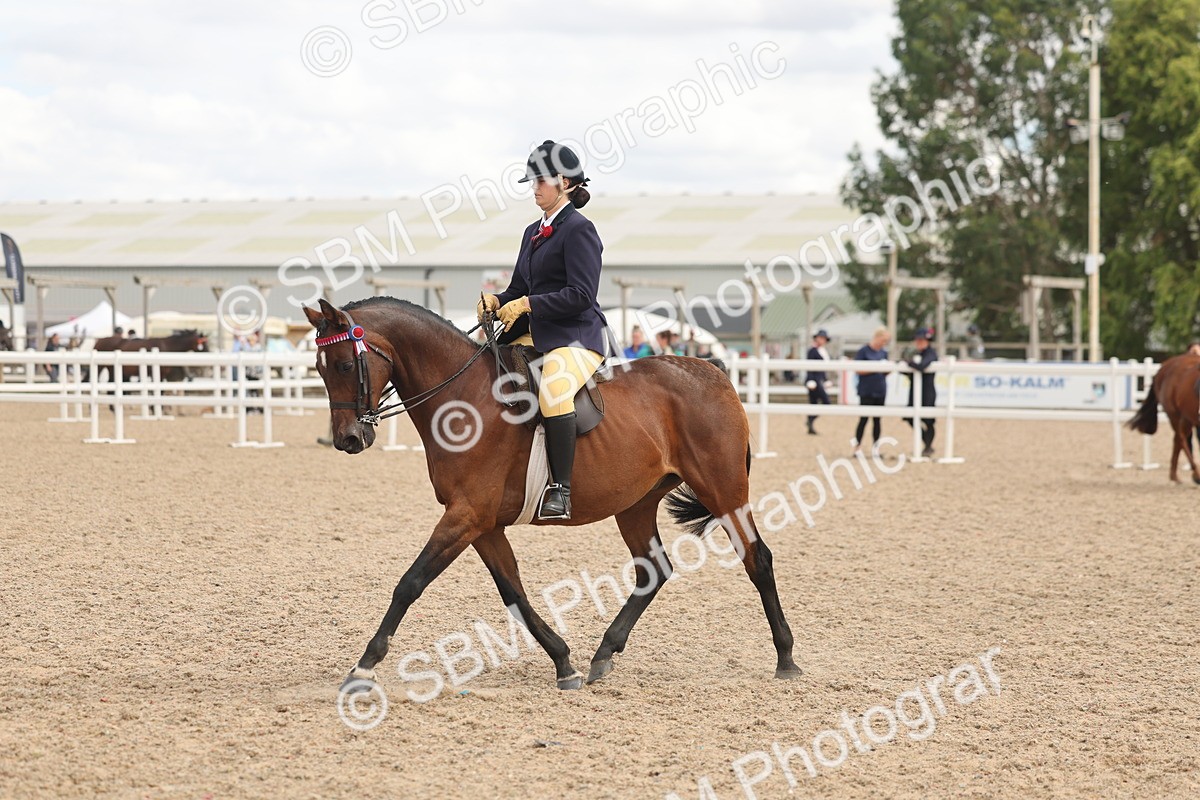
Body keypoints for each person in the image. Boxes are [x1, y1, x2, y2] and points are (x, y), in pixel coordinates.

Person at [478, 140, 607, 520]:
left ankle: (560, 489)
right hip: (534, 332)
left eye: (541, 181)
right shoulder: (533, 231)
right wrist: (498, 301)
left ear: (565, 183)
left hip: (576, 336)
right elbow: (519, 288)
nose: (534, 188)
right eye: (532, 181)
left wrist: (529, 304)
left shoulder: (581, 230)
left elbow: (581, 295)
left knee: (553, 390)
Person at [853, 327, 891, 453]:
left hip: (880, 389)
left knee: (877, 420)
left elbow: (886, 371)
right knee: (863, 419)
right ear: (877, 337)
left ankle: (876, 447)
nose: (884, 343)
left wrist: (886, 369)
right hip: (866, 389)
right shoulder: (864, 351)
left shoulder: (884, 353)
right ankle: (857, 447)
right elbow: (857, 369)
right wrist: (875, 368)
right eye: (883, 340)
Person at [904, 327, 938, 457]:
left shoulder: (930, 353)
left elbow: (922, 366)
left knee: (928, 420)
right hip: (915, 391)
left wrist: (909, 363)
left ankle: (928, 446)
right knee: (910, 417)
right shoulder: (916, 353)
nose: (918, 342)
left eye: (920, 340)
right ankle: (926, 443)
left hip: (927, 392)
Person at [805, 329, 832, 435]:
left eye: (824, 338)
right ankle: (810, 420)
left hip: (820, 380)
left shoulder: (822, 351)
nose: (822, 340)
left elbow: (823, 368)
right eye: (820, 338)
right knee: (825, 402)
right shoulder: (813, 351)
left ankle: (810, 422)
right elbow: (810, 366)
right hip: (814, 381)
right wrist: (810, 380)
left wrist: (826, 379)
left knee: (814, 403)